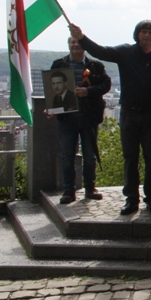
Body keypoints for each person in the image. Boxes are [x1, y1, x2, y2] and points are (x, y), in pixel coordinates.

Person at [70, 20, 151, 215]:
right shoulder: (125, 52)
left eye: (150, 33)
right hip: (129, 113)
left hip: (150, 117)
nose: (146, 35)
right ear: (137, 35)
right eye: (143, 32)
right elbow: (100, 51)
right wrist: (81, 37)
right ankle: (131, 199)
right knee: (130, 158)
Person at [52, 38, 111, 204]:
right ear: (68, 45)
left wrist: (88, 91)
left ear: (84, 46)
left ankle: (90, 188)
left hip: (89, 117)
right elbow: (52, 90)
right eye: (72, 43)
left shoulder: (95, 66)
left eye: (78, 43)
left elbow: (106, 85)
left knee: (89, 155)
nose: (75, 45)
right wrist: (51, 108)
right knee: (67, 156)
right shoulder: (59, 65)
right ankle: (69, 190)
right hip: (67, 118)